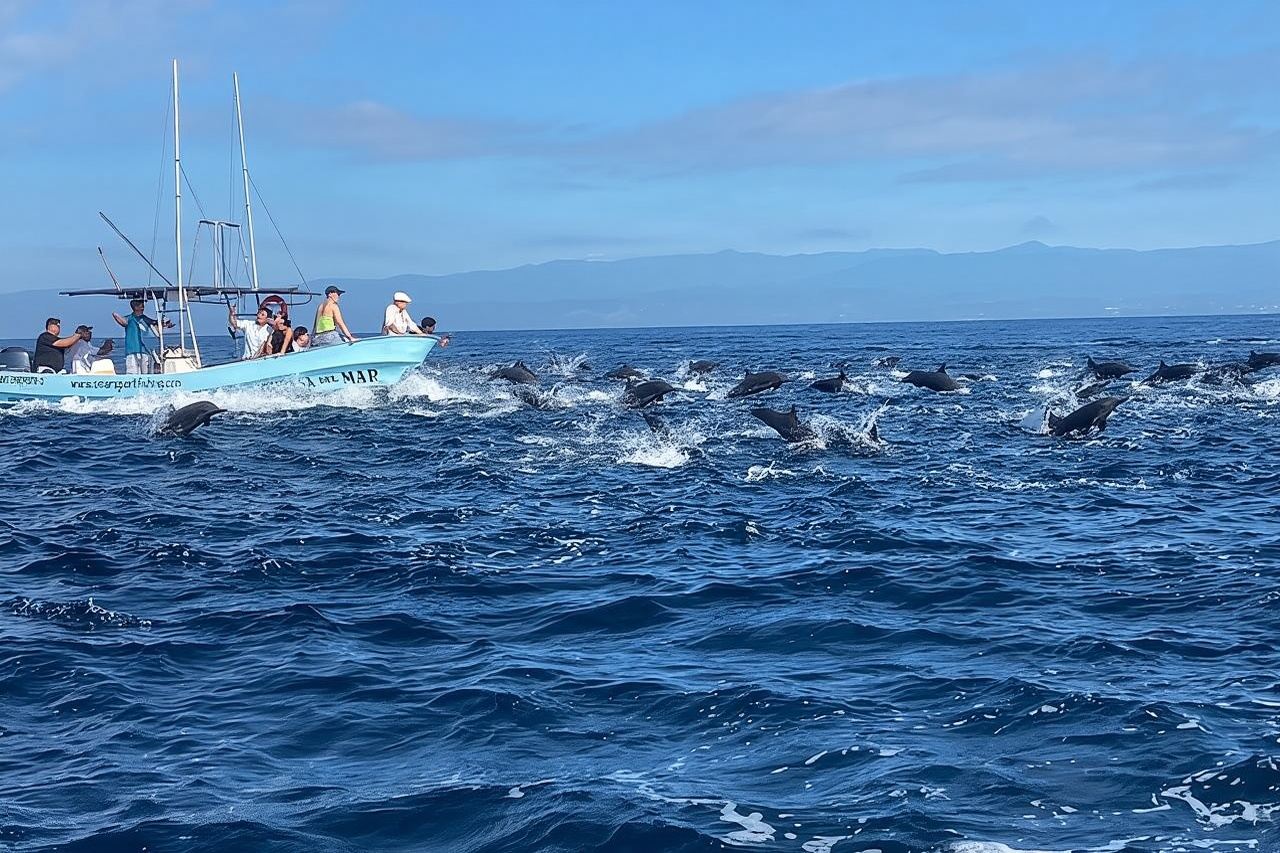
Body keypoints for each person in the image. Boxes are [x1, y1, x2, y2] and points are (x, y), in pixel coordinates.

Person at [112, 298, 171, 374]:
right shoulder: (130, 319)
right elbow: (120, 319)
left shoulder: (144, 318)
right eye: (140, 305)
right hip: (132, 351)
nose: (143, 307)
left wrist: (164, 323)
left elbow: (155, 323)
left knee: (145, 372)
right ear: (135, 307)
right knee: (133, 371)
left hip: (145, 351)